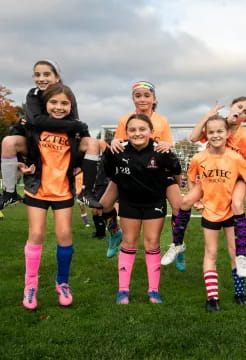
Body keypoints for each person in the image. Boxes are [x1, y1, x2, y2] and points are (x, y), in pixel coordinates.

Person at [164, 96, 246, 277]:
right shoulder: (216, 126)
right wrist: (208, 115)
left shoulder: (243, 137)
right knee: (185, 202)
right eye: (239, 107)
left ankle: (241, 256)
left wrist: (234, 162)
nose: (240, 112)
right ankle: (177, 244)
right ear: (232, 106)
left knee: (236, 206)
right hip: (211, 174)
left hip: (235, 177)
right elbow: (194, 137)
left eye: (245, 112)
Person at [21, 83, 93, 310]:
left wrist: (79, 167)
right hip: (37, 189)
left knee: (64, 235)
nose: (59, 107)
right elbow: (20, 146)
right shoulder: (34, 126)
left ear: (71, 106)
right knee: (37, 233)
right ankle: (30, 286)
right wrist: (22, 164)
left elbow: (85, 149)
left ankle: (62, 283)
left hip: (62, 191)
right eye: (54, 102)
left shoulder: (75, 130)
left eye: (64, 103)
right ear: (45, 104)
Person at [0, 59, 101, 210]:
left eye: (46, 74)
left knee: (93, 143)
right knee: (8, 142)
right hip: (35, 144)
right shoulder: (33, 94)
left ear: (57, 76)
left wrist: (79, 162)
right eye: (37, 75)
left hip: (62, 146)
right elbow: (36, 121)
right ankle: (9, 192)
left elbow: (76, 126)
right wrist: (20, 159)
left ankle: (86, 192)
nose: (41, 79)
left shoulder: (66, 93)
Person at [103, 113, 182, 305]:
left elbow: (176, 173)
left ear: (151, 132)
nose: (137, 133)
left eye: (142, 129)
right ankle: (123, 291)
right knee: (129, 242)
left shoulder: (162, 152)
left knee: (152, 243)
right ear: (126, 132)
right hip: (129, 202)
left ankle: (153, 291)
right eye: (132, 129)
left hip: (154, 202)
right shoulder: (116, 151)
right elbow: (109, 174)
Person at [100, 81, 181, 264]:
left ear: (154, 98)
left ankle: (177, 244)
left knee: (179, 206)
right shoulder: (125, 120)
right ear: (133, 99)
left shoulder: (162, 121)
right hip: (131, 172)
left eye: (146, 95)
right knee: (104, 204)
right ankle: (115, 233)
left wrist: (166, 148)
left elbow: (168, 146)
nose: (142, 99)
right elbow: (120, 143)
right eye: (138, 96)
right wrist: (113, 142)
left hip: (158, 172)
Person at [182, 115, 246, 311]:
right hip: (210, 213)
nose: (215, 135)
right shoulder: (199, 158)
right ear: (206, 134)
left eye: (219, 131)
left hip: (232, 214)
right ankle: (212, 298)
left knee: (235, 252)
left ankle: (240, 293)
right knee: (211, 252)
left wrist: (241, 200)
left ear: (228, 133)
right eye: (211, 132)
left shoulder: (235, 158)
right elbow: (191, 179)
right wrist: (195, 198)